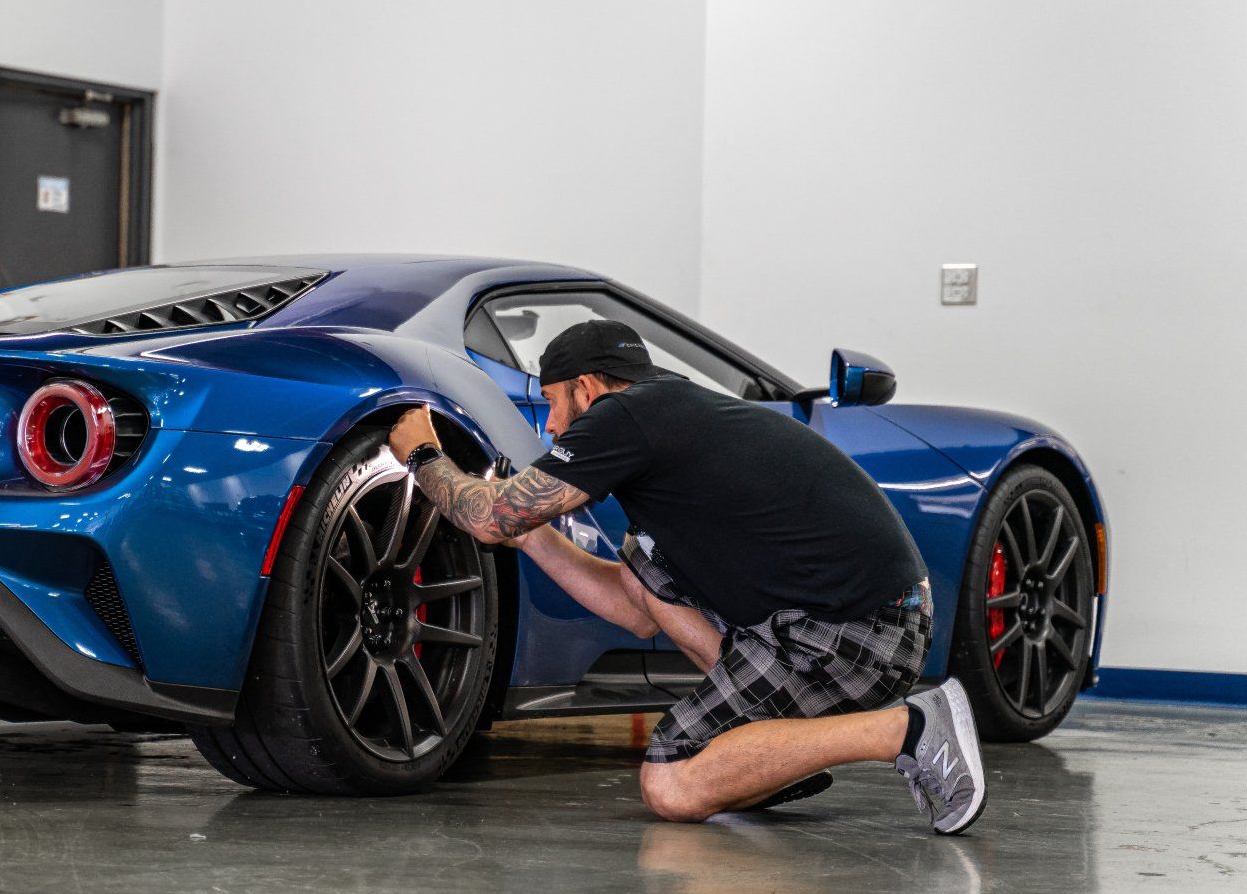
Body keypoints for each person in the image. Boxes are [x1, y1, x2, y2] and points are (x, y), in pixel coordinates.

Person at [387, 318, 987, 834]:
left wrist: (423, 454)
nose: (551, 428)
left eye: (553, 403)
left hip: (852, 630)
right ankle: (767, 754)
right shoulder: (675, 418)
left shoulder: (626, 414)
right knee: (645, 559)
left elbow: (493, 518)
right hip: (856, 616)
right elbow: (635, 604)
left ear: (587, 387)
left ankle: (908, 728)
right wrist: (535, 535)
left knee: (671, 783)